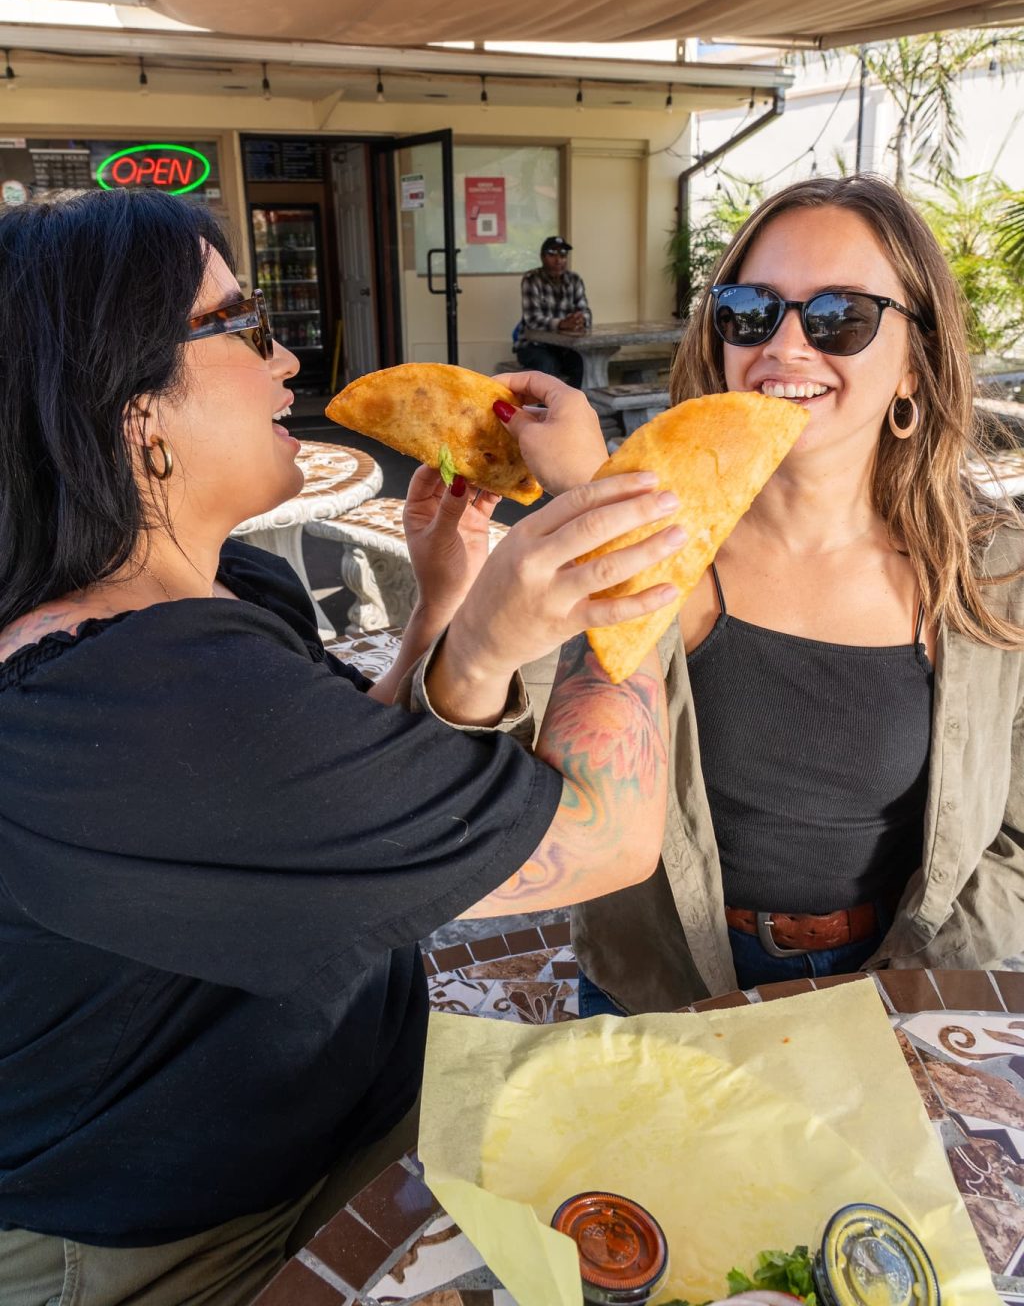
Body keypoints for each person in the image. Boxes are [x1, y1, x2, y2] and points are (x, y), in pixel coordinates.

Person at [0, 189, 685, 1306]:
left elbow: (333, 788)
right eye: (241, 326)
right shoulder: (134, 699)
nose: (286, 361)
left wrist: (446, 614)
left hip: (333, 1126)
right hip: (178, 1243)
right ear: (132, 409)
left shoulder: (216, 594)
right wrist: (605, 519)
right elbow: (607, 834)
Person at [567, 174, 1024, 1017]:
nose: (783, 346)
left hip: (901, 972)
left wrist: (910, 981)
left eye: (840, 317)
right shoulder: (641, 539)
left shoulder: (994, 570)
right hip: (661, 982)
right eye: (750, 310)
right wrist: (572, 530)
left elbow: (1018, 835)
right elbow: (512, 775)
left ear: (915, 363)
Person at [514, 235, 592, 389]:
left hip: (563, 346)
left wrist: (580, 320)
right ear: (542, 257)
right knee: (548, 364)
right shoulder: (531, 279)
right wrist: (561, 324)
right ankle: (547, 405)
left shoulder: (574, 280)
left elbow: (586, 313)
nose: (558, 260)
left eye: (563, 255)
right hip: (533, 345)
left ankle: (571, 402)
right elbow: (532, 320)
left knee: (580, 362)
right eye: (552, 254)